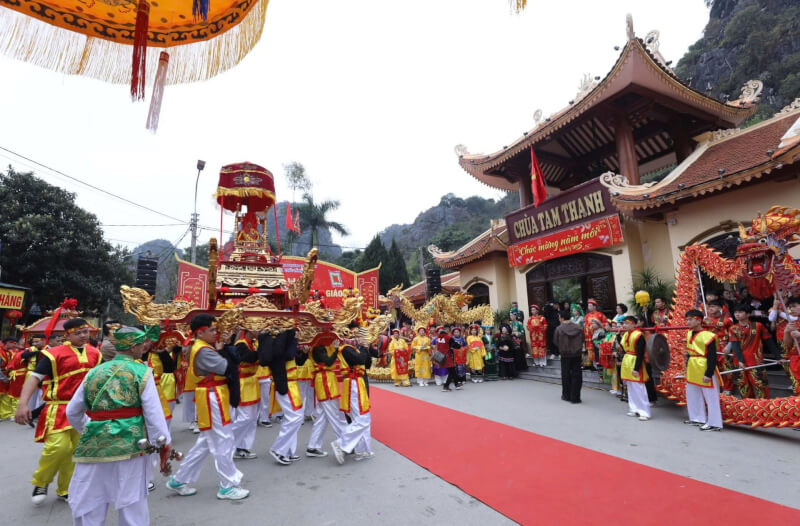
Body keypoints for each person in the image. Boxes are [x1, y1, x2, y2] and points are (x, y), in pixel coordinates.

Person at [66, 326, 170, 526]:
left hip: (94, 443)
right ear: (132, 347)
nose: (144, 347)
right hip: (132, 443)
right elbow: (154, 414)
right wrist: (163, 443)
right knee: (132, 501)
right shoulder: (142, 372)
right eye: (141, 344)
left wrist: (89, 428)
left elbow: (72, 411)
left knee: (90, 499)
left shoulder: (94, 372)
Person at [14, 318, 102, 505]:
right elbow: (34, 378)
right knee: (58, 447)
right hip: (59, 407)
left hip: (85, 409)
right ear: (67, 335)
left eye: (85, 332)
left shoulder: (95, 353)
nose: (83, 336)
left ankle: (66, 488)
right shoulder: (53, 354)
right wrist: (23, 404)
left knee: (77, 451)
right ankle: (41, 482)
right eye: (78, 333)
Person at [166, 314, 249, 500]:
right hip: (213, 397)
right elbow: (227, 367)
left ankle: (179, 479)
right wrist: (225, 348)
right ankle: (228, 486)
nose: (215, 333)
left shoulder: (205, 347)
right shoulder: (203, 350)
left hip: (214, 395)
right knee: (224, 440)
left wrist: (223, 347)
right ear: (200, 332)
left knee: (205, 443)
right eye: (212, 330)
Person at [261, 328, 305, 466]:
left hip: (292, 385)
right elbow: (287, 355)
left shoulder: (286, 342)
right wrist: (294, 340)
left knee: (293, 417)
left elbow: (297, 360)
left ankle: (288, 450)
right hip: (286, 385)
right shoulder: (279, 344)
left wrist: (303, 351)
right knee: (295, 417)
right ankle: (279, 449)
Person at [331, 336, 375, 464]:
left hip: (357, 383)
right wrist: (364, 349)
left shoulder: (353, 348)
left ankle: (362, 450)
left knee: (360, 418)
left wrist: (366, 349)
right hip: (353, 385)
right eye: (356, 334)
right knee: (363, 418)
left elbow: (366, 364)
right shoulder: (346, 348)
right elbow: (360, 359)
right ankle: (341, 443)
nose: (359, 336)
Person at [727, 304, 778, 399]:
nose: (737, 314)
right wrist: (740, 360)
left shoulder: (758, 326)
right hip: (739, 363)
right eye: (735, 312)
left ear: (748, 314)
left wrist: (778, 357)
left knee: (761, 387)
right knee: (744, 388)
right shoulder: (733, 328)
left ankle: (763, 406)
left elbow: (769, 341)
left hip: (756, 362)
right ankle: (749, 407)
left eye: (740, 312)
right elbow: (735, 345)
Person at [683, 310, 723, 431]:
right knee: (692, 394)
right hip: (692, 367)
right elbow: (688, 352)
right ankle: (697, 418)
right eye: (687, 319)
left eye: (690, 319)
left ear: (699, 320)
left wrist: (709, 373)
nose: (688, 322)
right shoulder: (689, 333)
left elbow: (712, 356)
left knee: (711, 397)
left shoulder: (709, 336)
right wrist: (686, 366)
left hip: (704, 366)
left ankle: (715, 423)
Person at [305, 342, 347, 458]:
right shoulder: (318, 347)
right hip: (325, 382)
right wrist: (336, 350)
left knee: (322, 418)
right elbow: (328, 361)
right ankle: (345, 443)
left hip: (327, 380)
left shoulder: (321, 346)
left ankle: (312, 446)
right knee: (335, 415)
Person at [231, 330, 261, 460]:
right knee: (245, 417)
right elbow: (249, 357)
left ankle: (243, 447)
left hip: (252, 382)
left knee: (253, 418)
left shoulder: (252, 343)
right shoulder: (241, 344)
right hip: (243, 383)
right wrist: (262, 345)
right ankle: (226, 440)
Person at [619, 316, 650, 421]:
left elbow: (640, 354)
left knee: (639, 388)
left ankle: (644, 412)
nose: (624, 325)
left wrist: (636, 368)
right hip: (627, 361)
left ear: (633, 324)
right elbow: (623, 348)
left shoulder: (639, 335)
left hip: (635, 361)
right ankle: (634, 409)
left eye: (627, 323)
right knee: (630, 387)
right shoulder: (625, 334)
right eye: (624, 323)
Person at [703, 299, 735, 394]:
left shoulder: (727, 320)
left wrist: (729, 346)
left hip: (722, 347)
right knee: (711, 367)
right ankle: (715, 387)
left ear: (720, 308)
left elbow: (733, 334)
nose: (710, 308)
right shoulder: (705, 320)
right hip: (709, 346)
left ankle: (727, 388)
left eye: (713, 306)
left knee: (725, 368)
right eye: (709, 307)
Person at [553, 310, 583, 403]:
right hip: (577, 354)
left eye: (559, 317)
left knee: (566, 375)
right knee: (577, 375)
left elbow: (555, 341)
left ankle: (566, 395)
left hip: (565, 354)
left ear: (562, 318)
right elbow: (583, 339)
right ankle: (576, 397)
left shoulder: (559, 329)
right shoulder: (578, 327)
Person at [780, 296, 800, 397]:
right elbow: (788, 344)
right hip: (796, 360)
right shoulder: (793, 324)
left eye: (794, 306)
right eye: (790, 307)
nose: (791, 309)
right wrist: (786, 332)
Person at [583, 299, 608, 368]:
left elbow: (606, 324)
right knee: (591, 351)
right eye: (588, 306)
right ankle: (593, 365)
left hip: (598, 336)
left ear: (595, 306)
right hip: (589, 336)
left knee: (598, 350)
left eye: (590, 306)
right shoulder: (587, 315)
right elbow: (585, 325)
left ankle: (600, 364)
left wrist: (599, 325)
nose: (589, 307)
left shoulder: (600, 315)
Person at [0, 337, 20, 419]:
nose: (15, 345)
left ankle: (4, 415)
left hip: (6, 377)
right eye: (13, 343)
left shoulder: (10, 352)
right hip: (2, 376)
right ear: (7, 343)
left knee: (5, 396)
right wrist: (3, 378)